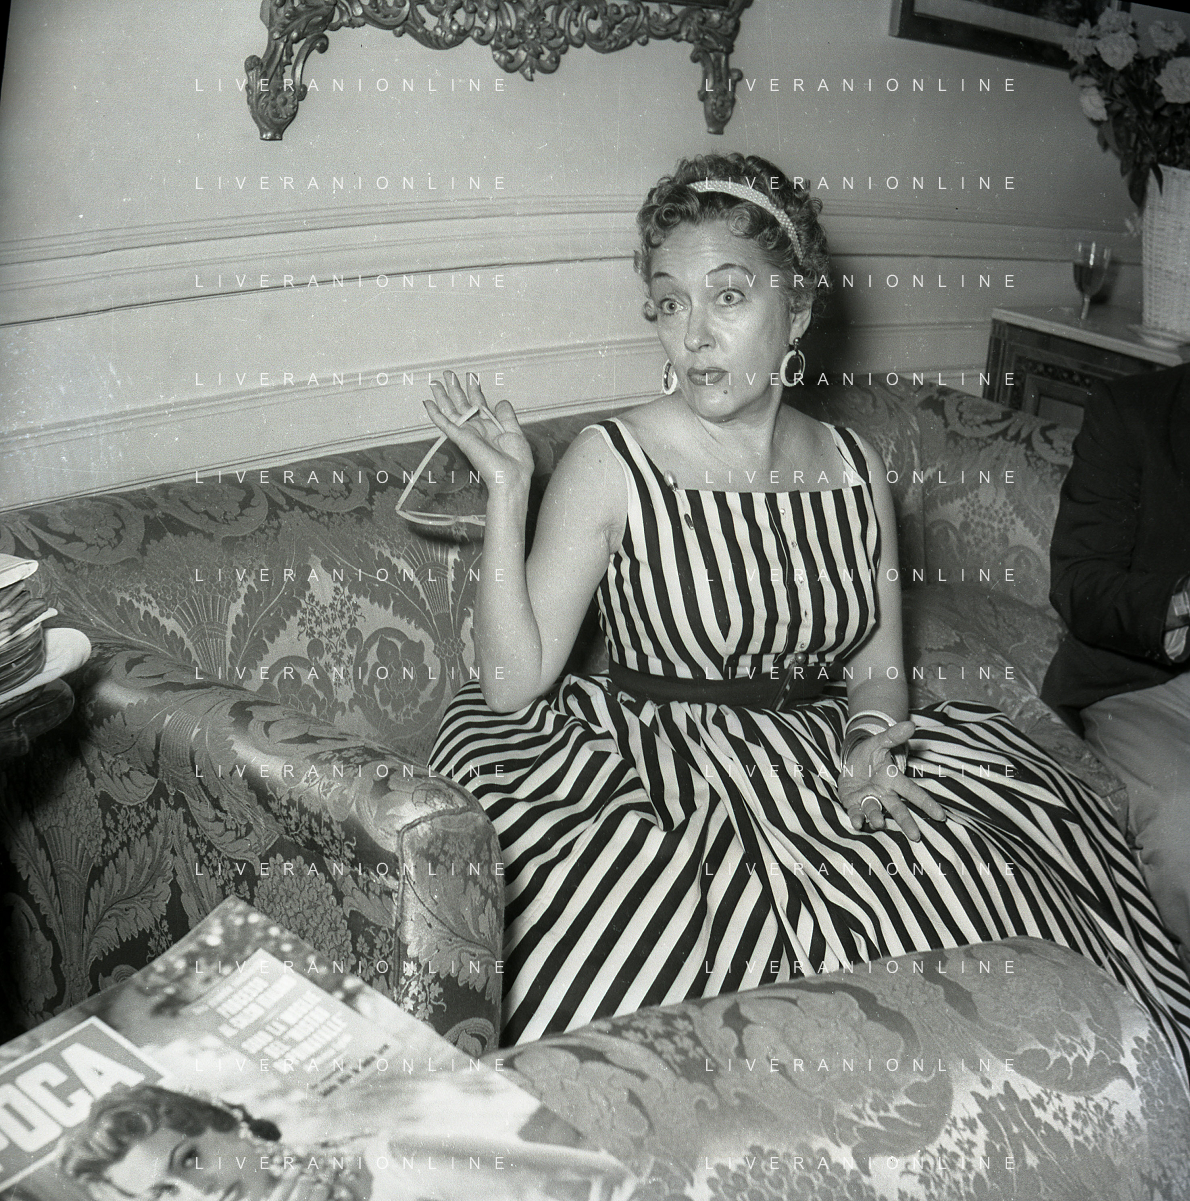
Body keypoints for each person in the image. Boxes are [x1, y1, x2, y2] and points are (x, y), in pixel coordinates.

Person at [422, 152, 1190, 1070]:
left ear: (796, 311)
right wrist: (508, 493)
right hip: (656, 773)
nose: (694, 335)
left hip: (817, 759)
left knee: (1001, 897)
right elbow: (511, 685)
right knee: (648, 977)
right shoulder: (610, 462)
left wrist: (869, 744)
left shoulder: (856, 469)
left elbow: (877, 666)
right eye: (668, 303)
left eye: (728, 296)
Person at [1042, 362, 1190, 973]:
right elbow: (1079, 583)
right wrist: (1182, 601)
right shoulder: (1133, 410)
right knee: (1183, 829)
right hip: (1143, 685)